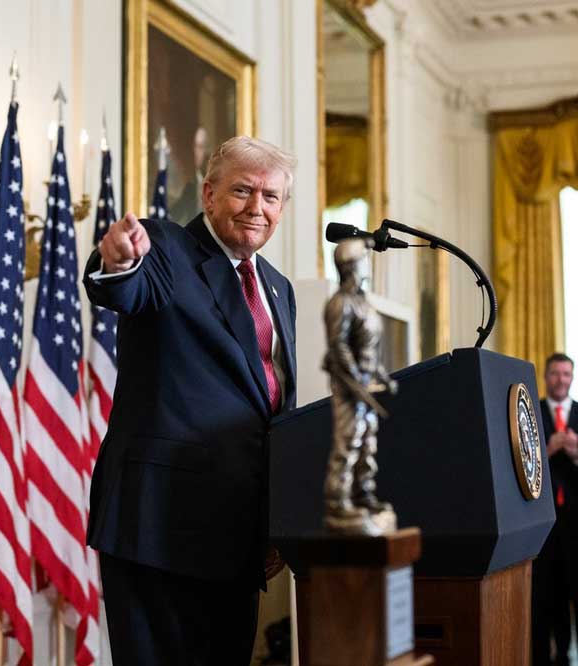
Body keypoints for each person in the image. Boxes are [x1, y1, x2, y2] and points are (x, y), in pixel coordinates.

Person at [83, 135, 297, 665]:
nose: (257, 207)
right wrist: (117, 262)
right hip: (159, 526)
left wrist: (278, 520)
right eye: (242, 190)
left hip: (238, 538)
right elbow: (126, 285)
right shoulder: (166, 248)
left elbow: (275, 411)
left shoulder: (278, 288)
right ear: (208, 194)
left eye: (271, 196)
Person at [322, 239, 397, 535]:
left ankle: (362, 494)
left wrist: (382, 376)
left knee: (367, 443)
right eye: (364, 259)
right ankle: (337, 501)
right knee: (348, 443)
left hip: (367, 383)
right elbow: (338, 345)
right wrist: (354, 378)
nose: (368, 264)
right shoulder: (340, 303)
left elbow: (370, 347)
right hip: (349, 385)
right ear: (352, 266)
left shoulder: (364, 302)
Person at [533, 353, 578, 666]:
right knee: (543, 593)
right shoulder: (530, 412)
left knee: (572, 589)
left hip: (575, 525)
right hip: (541, 523)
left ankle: (566, 654)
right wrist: (547, 451)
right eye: (554, 373)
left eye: (566, 374)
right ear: (546, 376)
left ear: (571, 378)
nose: (560, 379)